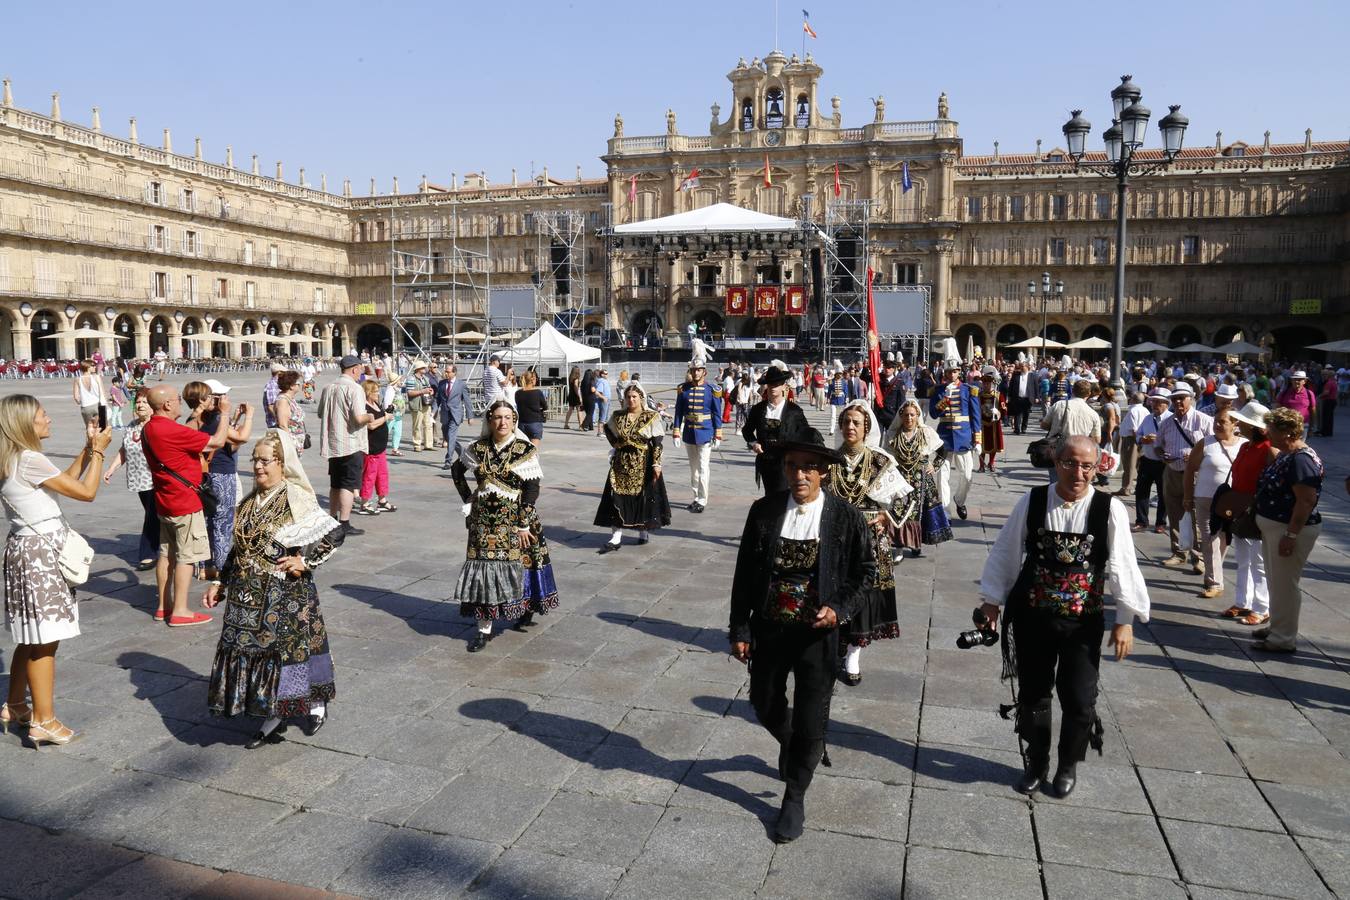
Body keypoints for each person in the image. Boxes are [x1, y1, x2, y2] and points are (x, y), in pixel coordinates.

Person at [979, 436, 1150, 799]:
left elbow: (1123, 566)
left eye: (1087, 466)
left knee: (1078, 697)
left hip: (1081, 623)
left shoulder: (1109, 508)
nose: (1079, 472)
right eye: (1071, 463)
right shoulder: (1034, 500)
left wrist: (1125, 619)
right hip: (1031, 617)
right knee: (1033, 694)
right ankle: (1036, 761)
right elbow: (1006, 551)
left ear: (1097, 467)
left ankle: (1068, 764)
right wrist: (992, 602)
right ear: (1056, 463)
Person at [728, 427, 875, 843]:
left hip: (817, 637)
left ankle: (794, 797)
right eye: (793, 466)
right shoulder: (764, 510)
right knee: (763, 701)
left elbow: (866, 573)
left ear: (824, 473)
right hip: (771, 631)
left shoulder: (845, 516)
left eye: (810, 467)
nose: (800, 475)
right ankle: (792, 743)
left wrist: (839, 608)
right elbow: (744, 574)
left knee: (813, 717)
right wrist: (740, 628)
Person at [204, 431, 343, 749]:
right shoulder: (250, 501)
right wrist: (220, 583)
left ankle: (291, 709)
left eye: (265, 460)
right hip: (246, 595)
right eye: (255, 459)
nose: (258, 467)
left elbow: (333, 533)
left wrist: (304, 561)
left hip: (285, 596)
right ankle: (269, 706)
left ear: (283, 463)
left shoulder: (295, 498)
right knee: (253, 651)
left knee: (285, 654)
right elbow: (238, 550)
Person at [1, 394, 112, 747]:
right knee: (45, 641)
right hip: (40, 557)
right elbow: (86, 492)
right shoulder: (29, 459)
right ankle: (43, 720)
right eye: (42, 415)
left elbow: (62, 480)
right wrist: (99, 452)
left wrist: (86, 447)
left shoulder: (15, 458)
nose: (48, 419)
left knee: (29, 636)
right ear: (25, 424)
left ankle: (17, 704)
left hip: (24, 550)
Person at [450, 400, 560, 651]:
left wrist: (524, 524)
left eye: (508, 417)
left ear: (515, 420)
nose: (503, 422)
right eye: (498, 417)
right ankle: (483, 629)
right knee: (483, 571)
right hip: (483, 524)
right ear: (490, 420)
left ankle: (524, 608)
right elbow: (457, 472)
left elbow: (532, 489)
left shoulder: (524, 449)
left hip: (517, 520)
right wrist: (469, 498)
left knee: (523, 565)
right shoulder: (477, 448)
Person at [827, 401, 911, 686]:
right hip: (837, 539)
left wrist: (887, 517)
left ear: (866, 429)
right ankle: (838, 643)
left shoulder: (878, 460)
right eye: (846, 422)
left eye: (856, 423)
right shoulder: (830, 460)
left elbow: (905, 497)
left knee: (865, 595)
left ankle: (853, 655)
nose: (850, 427)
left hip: (871, 540)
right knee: (836, 590)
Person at [143, 385, 231, 627]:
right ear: (167, 405)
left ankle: (164, 606)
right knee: (186, 556)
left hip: (164, 500)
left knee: (166, 554)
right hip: (185, 501)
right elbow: (217, 441)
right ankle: (180, 610)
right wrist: (225, 413)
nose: (180, 403)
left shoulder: (149, 428)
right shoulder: (171, 430)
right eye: (176, 399)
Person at [1251, 407, 1324, 654]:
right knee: (1276, 582)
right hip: (1276, 528)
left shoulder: (1301, 459)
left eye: (1271, 429)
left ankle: (1283, 638)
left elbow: (1306, 500)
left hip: (1289, 531)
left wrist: (1291, 535)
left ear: (1287, 433)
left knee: (1285, 585)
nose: (1266, 432)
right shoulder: (1286, 454)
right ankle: (1278, 626)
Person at [595, 383, 671, 551]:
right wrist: (616, 444)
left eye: (634, 397)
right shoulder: (618, 416)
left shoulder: (650, 416)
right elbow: (608, 429)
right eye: (628, 397)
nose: (631, 399)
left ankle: (642, 530)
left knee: (642, 497)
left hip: (642, 462)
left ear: (641, 398)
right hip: (621, 462)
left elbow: (657, 442)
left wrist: (656, 464)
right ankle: (616, 535)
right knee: (617, 496)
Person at [1221, 399, 1275, 620]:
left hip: (1257, 509)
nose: (1237, 424)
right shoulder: (1245, 446)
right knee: (1242, 559)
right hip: (1239, 507)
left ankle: (1262, 608)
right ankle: (1242, 601)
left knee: (1259, 561)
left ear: (1252, 426)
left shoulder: (1269, 450)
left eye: (1242, 421)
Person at [1183, 408, 1245, 600]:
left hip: (1231, 501)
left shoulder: (1244, 445)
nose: (1217, 424)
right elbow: (1189, 470)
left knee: (1224, 539)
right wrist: (1187, 496)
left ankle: (1212, 571)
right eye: (1216, 420)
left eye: (1223, 421)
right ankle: (1215, 582)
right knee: (1210, 539)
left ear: (1235, 424)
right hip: (1205, 498)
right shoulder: (1206, 443)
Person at [195, 380, 254, 580]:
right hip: (222, 474)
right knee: (222, 522)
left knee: (205, 521)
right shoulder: (217, 418)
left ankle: (202, 565)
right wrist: (250, 416)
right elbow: (242, 438)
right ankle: (219, 567)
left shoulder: (197, 418)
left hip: (204, 473)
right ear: (217, 399)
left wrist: (234, 418)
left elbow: (231, 446)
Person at [883, 399, 953, 554]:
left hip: (921, 480)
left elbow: (943, 450)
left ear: (917, 416)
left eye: (912, 415)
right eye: (906, 415)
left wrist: (933, 466)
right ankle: (899, 547)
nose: (909, 418)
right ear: (901, 416)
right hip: (900, 481)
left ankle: (915, 543)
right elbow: (885, 456)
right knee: (898, 511)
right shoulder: (893, 434)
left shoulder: (926, 432)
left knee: (919, 512)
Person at [317, 355, 375, 537]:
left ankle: (331, 519)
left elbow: (320, 413)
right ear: (354, 369)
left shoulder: (328, 387)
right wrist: (370, 416)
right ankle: (344, 522)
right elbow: (359, 418)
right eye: (361, 369)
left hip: (334, 443)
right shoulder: (355, 389)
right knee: (348, 485)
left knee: (335, 483)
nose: (361, 373)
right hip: (351, 443)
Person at [1159, 383, 1214, 571]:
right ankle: (1178, 552)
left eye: (1182, 398)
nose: (1178, 402)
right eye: (1174, 399)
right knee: (1174, 513)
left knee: (1196, 516)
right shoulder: (1167, 422)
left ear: (1191, 398)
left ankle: (1198, 557)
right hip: (1173, 471)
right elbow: (1158, 445)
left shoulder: (1203, 420)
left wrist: (1196, 454)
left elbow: (1215, 448)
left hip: (1196, 474)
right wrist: (1162, 455)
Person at [102, 388, 159, 570]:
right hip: (139, 480)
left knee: (152, 516)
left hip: (156, 479)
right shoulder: (132, 425)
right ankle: (165, 546)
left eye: (145, 402)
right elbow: (124, 449)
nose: (140, 405)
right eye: (138, 402)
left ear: (153, 406)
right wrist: (112, 468)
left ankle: (148, 553)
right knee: (154, 516)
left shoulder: (157, 425)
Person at [741, 366, 810, 495]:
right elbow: (747, 430)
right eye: (771, 384)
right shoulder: (758, 409)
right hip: (766, 461)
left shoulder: (794, 411)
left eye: (777, 384)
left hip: (787, 462)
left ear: (784, 386)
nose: (773, 387)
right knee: (771, 495)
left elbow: (806, 434)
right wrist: (754, 443)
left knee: (782, 494)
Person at [929, 365, 981, 520]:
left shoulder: (969, 389)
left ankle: (959, 500)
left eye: (955, 371)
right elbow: (933, 414)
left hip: (963, 437)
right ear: (945, 373)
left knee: (967, 475)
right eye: (949, 371)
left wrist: (977, 439)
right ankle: (945, 511)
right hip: (944, 437)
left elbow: (975, 416)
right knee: (942, 476)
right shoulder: (938, 390)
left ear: (959, 372)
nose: (952, 374)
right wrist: (945, 400)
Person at [672, 361, 724, 514]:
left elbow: (716, 414)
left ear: (704, 372)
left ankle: (703, 499)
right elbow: (678, 412)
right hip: (689, 432)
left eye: (699, 370)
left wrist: (718, 434)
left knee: (703, 467)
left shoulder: (713, 390)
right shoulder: (683, 389)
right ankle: (696, 497)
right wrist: (676, 431)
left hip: (706, 432)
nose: (696, 373)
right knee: (693, 469)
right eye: (693, 370)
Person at [1132, 388, 1171, 534]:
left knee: (1163, 493)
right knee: (1141, 491)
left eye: (1158, 402)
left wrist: (1159, 441)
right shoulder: (1148, 418)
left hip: (1163, 463)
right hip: (1147, 460)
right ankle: (1141, 521)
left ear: (1166, 404)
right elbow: (1138, 435)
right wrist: (1142, 439)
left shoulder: (1171, 419)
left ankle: (1160, 523)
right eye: (1153, 401)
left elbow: (1175, 441)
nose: (1154, 405)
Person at [355, 380, 395, 516]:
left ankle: (382, 500)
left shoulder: (376, 404)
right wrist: (385, 418)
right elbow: (370, 425)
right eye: (375, 391)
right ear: (368, 392)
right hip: (371, 448)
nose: (378, 393)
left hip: (381, 447)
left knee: (382, 474)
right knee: (369, 476)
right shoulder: (363, 407)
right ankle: (364, 503)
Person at [436, 364, 473, 465]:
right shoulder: (442, 383)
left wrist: (470, 416)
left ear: (454, 372)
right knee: (448, 437)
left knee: (451, 436)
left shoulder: (461, 384)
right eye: (445, 371)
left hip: (456, 414)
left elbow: (467, 400)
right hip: (445, 414)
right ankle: (464, 454)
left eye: (448, 372)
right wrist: (433, 412)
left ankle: (448, 460)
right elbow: (438, 399)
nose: (446, 373)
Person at [1116, 391, 1147, 497]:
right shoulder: (1145, 410)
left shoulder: (1133, 411)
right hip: (1141, 440)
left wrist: (1137, 441)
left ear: (1133, 399)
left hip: (1131, 440)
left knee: (1129, 465)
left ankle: (1126, 488)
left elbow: (1134, 429)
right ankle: (1133, 487)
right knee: (1137, 466)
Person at [976, 368, 1006, 473]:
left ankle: (991, 463)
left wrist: (997, 412)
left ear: (992, 384)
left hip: (994, 423)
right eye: (984, 383)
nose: (986, 385)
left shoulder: (998, 395)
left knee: (994, 445)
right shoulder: (978, 395)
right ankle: (981, 465)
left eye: (988, 383)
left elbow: (1004, 409)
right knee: (981, 445)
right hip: (981, 423)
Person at [404, 360, 435, 453]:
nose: (425, 369)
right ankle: (417, 444)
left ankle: (428, 444)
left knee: (428, 425)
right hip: (417, 404)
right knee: (417, 425)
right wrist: (422, 391)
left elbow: (428, 388)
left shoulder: (425, 378)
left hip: (426, 403)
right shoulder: (411, 379)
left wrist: (430, 391)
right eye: (423, 367)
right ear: (418, 369)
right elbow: (409, 393)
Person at [1274, 370, 1316, 439]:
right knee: (1287, 446)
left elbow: (1313, 411)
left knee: (1299, 447)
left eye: (1299, 380)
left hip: (1303, 425)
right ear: (1291, 381)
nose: (1296, 381)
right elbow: (1278, 408)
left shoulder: (1309, 393)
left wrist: (1311, 428)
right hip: (1287, 425)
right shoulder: (1284, 392)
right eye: (1294, 379)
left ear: (1304, 381)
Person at [274, 371, 306, 455]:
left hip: (296, 441)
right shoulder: (283, 401)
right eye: (298, 383)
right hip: (289, 444)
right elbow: (283, 425)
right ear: (291, 386)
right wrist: (289, 445)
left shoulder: (290, 398)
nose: (300, 385)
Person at [514, 370, 548, 447]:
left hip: (521, 424)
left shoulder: (518, 393)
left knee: (522, 451)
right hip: (534, 422)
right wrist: (540, 409)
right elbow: (545, 406)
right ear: (533, 380)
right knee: (533, 452)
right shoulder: (538, 392)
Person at [71, 360, 106, 427]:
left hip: (85, 406)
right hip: (98, 405)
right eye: (92, 366)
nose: (95, 367)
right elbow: (103, 392)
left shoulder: (78, 379)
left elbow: (76, 397)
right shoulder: (96, 377)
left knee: (89, 429)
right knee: (101, 429)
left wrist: (80, 402)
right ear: (87, 367)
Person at [1007, 362, 1036, 435]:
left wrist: (1037, 397)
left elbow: (1036, 387)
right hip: (1017, 398)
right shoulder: (1016, 375)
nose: (1022, 368)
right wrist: (1009, 396)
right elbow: (1011, 386)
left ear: (1027, 367)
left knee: (1026, 414)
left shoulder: (1032, 376)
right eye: (1021, 367)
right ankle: (1017, 429)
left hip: (1027, 398)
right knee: (1017, 414)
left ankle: (1024, 428)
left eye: (1024, 366)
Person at [826, 367, 851, 435]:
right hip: (833, 400)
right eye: (838, 374)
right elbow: (829, 391)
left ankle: (841, 428)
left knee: (841, 416)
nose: (840, 375)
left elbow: (846, 391)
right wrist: (828, 398)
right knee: (833, 416)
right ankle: (831, 430)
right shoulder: (831, 381)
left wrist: (847, 398)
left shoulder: (844, 381)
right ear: (836, 374)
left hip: (841, 400)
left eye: (841, 374)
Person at [262, 362, 286, 428]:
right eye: (284, 373)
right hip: (275, 423)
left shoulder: (278, 384)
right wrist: (280, 421)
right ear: (279, 373)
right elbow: (271, 406)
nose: (286, 375)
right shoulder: (272, 385)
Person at [1318, 367, 1338, 437]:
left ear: (1329, 376)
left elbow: (1326, 392)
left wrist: (1319, 396)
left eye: (1326, 375)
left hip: (1328, 401)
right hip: (1333, 400)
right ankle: (1329, 432)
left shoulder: (1329, 383)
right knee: (1330, 418)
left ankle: (1324, 432)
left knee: (1326, 417)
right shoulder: (1334, 382)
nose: (1325, 376)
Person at [591, 368, 611, 432]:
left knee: (605, 417)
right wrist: (603, 397)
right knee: (602, 416)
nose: (607, 375)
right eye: (605, 374)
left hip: (607, 400)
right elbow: (598, 392)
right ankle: (600, 432)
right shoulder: (601, 381)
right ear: (602, 374)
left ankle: (604, 431)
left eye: (607, 373)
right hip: (604, 400)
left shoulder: (605, 381)